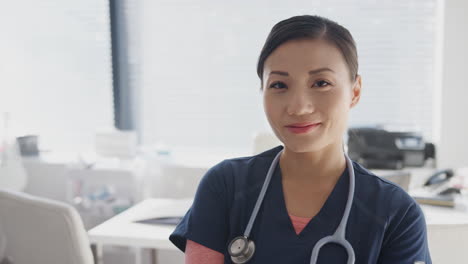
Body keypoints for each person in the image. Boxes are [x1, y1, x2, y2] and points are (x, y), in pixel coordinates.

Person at [169, 15, 432, 264]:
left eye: (321, 83)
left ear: (355, 91)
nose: (298, 107)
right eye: (279, 85)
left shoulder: (396, 214)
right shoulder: (225, 186)